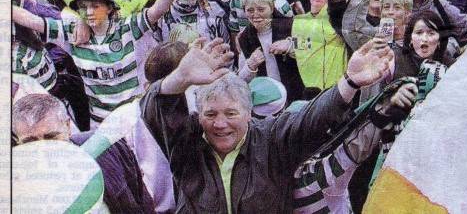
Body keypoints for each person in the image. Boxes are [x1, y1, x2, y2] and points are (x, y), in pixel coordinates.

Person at [141, 34, 395, 213]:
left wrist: (349, 82)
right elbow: (158, 110)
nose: (220, 124)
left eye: (231, 114)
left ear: (249, 113)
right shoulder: (188, 144)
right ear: (199, 115)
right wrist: (180, 78)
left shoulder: (270, 139)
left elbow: (311, 119)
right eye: (210, 115)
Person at [12, 0, 187, 126]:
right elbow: (31, 20)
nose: (88, 12)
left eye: (95, 6)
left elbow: (159, 8)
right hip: (100, 123)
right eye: (83, 6)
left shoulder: (129, 27)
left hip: (135, 118)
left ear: (110, 7)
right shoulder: (70, 31)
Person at [12, 93, 157, 212]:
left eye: (51, 137)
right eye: (30, 142)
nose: (43, 150)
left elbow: (141, 198)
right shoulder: (14, 192)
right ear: (17, 140)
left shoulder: (109, 148)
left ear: (68, 127)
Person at [236, 0, 305, 103]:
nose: (256, 15)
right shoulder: (244, 37)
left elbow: (313, 46)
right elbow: (240, 81)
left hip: (297, 95)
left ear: (272, 8)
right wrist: (250, 66)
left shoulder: (290, 25)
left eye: (261, 9)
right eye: (250, 10)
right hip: (267, 101)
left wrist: (290, 45)